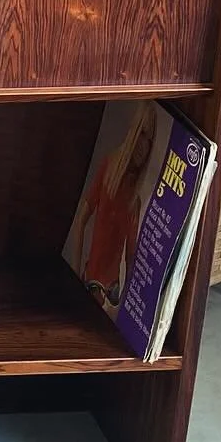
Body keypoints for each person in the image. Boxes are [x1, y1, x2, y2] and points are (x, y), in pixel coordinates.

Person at [68, 105, 158, 308]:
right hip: (90, 279)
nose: (144, 147)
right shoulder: (108, 168)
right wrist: (74, 269)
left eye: (150, 141)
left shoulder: (135, 200)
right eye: (142, 134)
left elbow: (131, 256)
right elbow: (81, 219)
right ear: (133, 131)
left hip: (114, 290)